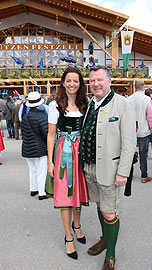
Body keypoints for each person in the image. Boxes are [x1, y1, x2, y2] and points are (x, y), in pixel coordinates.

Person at [79, 65, 136, 270]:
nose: (95, 84)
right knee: (99, 206)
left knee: (110, 212)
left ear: (109, 81)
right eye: (92, 80)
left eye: (100, 80)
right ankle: (104, 240)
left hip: (111, 171)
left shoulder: (122, 104)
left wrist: (123, 172)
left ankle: (110, 255)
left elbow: (129, 142)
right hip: (89, 169)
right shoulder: (90, 104)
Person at [47, 67, 89, 260]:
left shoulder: (85, 104)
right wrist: (50, 162)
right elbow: (50, 134)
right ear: (63, 83)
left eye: (76, 81)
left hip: (80, 153)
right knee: (66, 194)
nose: (72, 84)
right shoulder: (55, 106)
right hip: (64, 152)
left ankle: (77, 225)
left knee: (78, 192)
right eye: (69, 80)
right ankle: (68, 237)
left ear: (80, 84)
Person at [21, 92, 48, 200]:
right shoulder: (41, 117)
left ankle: (33, 189)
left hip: (27, 147)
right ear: (39, 104)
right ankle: (41, 193)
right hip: (39, 148)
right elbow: (46, 134)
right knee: (41, 171)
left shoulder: (25, 117)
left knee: (32, 170)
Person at [128, 81, 152, 183]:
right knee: (143, 155)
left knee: (129, 154)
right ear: (143, 88)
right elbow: (149, 116)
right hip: (143, 131)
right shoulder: (147, 99)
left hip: (130, 131)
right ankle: (144, 176)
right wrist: (150, 128)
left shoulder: (128, 99)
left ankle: (129, 175)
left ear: (135, 87)